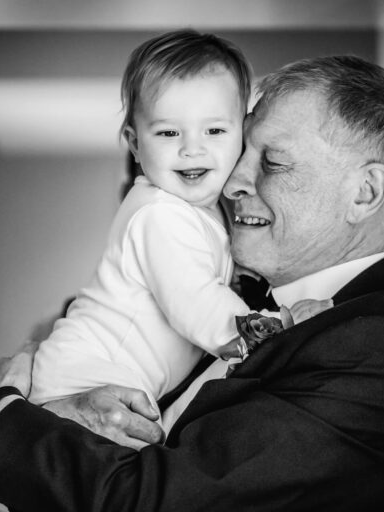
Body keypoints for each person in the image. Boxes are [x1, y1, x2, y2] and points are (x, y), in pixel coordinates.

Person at [0, 55, 384, 511]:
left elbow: (158, 501)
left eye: (273, 162)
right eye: (241, 152)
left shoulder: (381, 350)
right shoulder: (235, 296)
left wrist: (6, 411)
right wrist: (66, 411)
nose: (232, 183)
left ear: (365, 192)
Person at [27, 29, 327, 431]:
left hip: (116, 385)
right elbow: (198, 305)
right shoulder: (159, 215)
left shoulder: (204, 210)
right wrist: (277, 327)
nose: (192, 148)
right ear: (135, 144)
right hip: (82, 380)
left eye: (214, 131)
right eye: (169, 133)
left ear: (242, 134)